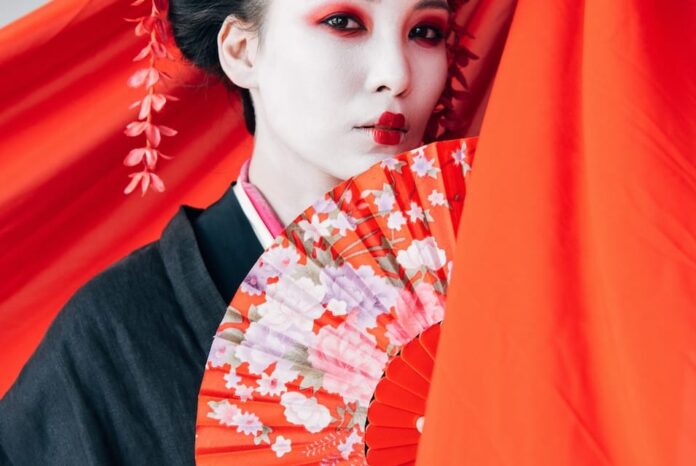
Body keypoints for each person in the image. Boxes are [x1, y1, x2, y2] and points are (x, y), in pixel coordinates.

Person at [0, 0, 464, 464]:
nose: (396, 75)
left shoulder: (487, 272)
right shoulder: (116, 333)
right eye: (342, 22)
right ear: (242, 51)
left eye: (425, 32)